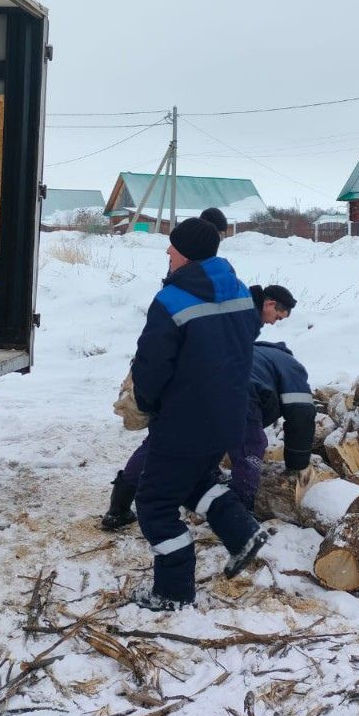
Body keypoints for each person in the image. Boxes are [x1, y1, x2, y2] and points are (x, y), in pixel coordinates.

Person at [126, 216, 268, 610]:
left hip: (182, 420)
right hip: (228, 417)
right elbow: (243, 347)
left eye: (173, 247)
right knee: (193, 481)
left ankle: (172, 592)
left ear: (185, 254)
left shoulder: (171, 300)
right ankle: (243, 534)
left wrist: (146, 404)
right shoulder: (240, 292)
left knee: (154, 501)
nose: (167, 252)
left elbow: (152, 366)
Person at [103, 282, 298, 529]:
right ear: (269, 304)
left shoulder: (234, 303)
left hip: (181, 381)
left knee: (161, 443)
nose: (274, 323)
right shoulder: (243, 315)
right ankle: (238, 516)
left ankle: (118, 506)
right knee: (246, 442)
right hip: (194, 387)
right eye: (277, 316)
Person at [228, 340, 315, 510]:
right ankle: (239, 510)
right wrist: (298, 463)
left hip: (201, 383)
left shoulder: (252, 351)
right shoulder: (290, 365)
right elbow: (301, 413)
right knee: (250, 447)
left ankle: (202, 485)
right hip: (238, 389)